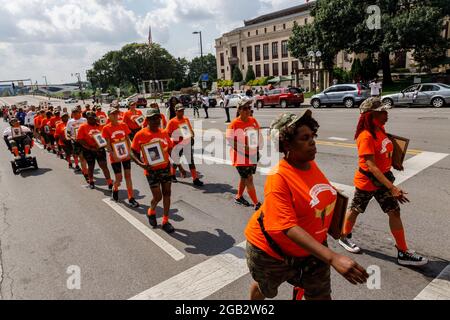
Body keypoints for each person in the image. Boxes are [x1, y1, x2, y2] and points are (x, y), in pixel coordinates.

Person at [245, 110, 369, 301]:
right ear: (287, 144)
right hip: (271, 252)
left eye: (312, 136)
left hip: (311, 250)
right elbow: (287, 226)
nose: (312, 141)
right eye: (304, 138)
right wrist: (333, 257)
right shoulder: (278, 177)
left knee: (321, 296)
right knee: (266, 289)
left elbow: (317, 196)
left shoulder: (310, 164)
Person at [338, 98, 428, 266]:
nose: (387, 114)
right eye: (382, 112)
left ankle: (403, 251)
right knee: (356, 209)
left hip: (383, 180)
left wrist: (395, 160)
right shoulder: (365, 136)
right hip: (368, 181)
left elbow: (387, 146)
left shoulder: (380, 129)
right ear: (371, 115)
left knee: (394, 212)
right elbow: (371, 166)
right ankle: (344, 236)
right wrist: (392, 187)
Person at [131, 108, 175, 233]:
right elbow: (132, 153)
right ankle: (151, 211)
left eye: (158, 118)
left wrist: (177, 164)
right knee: (158, 196)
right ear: (147, 120)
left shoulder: (164, 133)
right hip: (151, 171)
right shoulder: (140, 134)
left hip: (165, 168)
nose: (157, 121)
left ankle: (165, 221)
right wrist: (142, 164)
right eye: (153, 118)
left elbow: (170, 149)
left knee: (167, 193)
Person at [226, 99, 262, 210]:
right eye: (245, 108)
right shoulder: (234, 124)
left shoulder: (253, 120)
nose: (248, 110)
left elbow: (258, 134)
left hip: (252, 155)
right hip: (240, 157)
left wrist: (258, 145)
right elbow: (230, 140)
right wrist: (244, 147)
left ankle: (239, 197)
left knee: (244, 178)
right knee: (249, 179)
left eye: (249, 108)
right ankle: (257, 203)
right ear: (239, 110)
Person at [102, 107, 139, 207]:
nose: (115, 116)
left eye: (116, 114)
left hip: (126, 154)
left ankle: (131, 198)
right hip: (115, 156)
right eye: (113, 114)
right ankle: (115, 188)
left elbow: (127, 139)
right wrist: (114, 155)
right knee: (119, 178)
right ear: (109, 116)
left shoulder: (123, 125)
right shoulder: (106, 128)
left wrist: (130, 151)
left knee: (128, 176)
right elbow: (108, 145)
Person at [166, 104, 204, 186]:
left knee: (191, 161)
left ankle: (195, 179)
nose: (181, 112)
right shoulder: (172, 121)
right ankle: (172, 175)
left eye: (182, 110)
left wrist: (192, 135)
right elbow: (167, 134)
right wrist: (177, 135)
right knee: (176, 160)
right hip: (177, 144)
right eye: (179, 111)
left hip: (187, 142)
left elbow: (189, 129)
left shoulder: (186, 119)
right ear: (175, 111)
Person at [77, 111, 114, 190]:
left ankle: (110, 182)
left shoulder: (100, 126)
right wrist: (90, 147)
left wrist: (103, 145)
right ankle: (91, 181)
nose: (93, 120)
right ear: (88, 119)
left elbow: (104, 137)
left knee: (103, 165)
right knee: (91, 166)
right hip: (88, 150)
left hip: (99, 149)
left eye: (94, 118)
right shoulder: (83, 127)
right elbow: (80, 139)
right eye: (91, 119)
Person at [66, 108, 88, 178]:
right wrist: (72, 137)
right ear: (72, 114)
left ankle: (85, 170)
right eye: (73, 112)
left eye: (76, 112)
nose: (75, 114)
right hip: (76, 142)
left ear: (79, 112)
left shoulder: (84, 120)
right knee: (81, 158)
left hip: (85, 141)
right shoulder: (70, 122)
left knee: (86, 157)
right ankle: (85, 172)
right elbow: (68, 133)